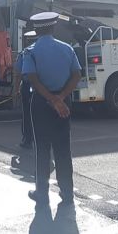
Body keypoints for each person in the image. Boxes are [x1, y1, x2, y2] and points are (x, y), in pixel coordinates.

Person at [21, 12, 82, 209]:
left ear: (36, 29)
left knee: (42, 149)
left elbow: (31, 78)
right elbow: (76, 74)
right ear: (53, 27)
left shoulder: (30, 51)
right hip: (63, 104)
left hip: (41, 103)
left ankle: (42, 193)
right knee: (63, 149)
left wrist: (51, 99)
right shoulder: (67, 49)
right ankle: (67, 192)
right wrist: (61, 98)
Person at [13, 51, 34, 149]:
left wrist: (16, 90)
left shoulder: (24, 53)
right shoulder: (45, 51)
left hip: (28, 86)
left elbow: (19, 74)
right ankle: (42, 139)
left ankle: (27, 139)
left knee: (27, 113)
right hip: (44, 86)